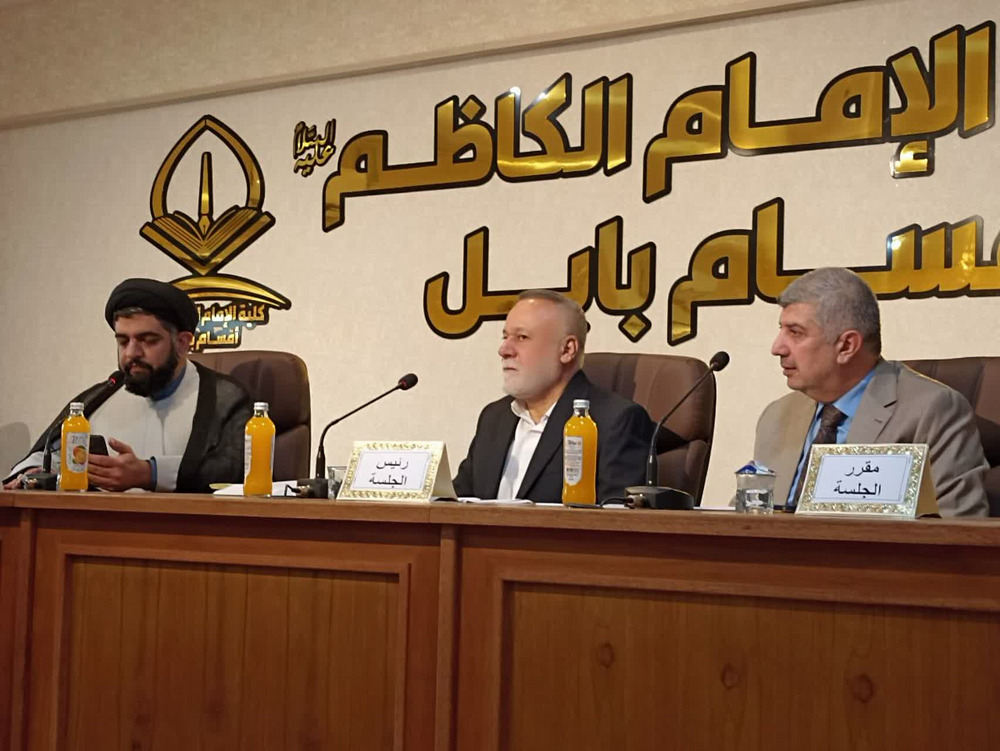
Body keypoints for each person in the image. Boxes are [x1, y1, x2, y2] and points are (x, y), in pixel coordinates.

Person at [755, 267, 988, 516]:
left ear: (847, 345)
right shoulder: (777, 416)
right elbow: (750, 514)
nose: (777, 348)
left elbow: (958, 525)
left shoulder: (931, 411)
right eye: (781, 330)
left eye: (795, 333)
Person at [5, 278, 252, 492]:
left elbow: (239, 468)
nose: (132, 353)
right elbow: (47, 454)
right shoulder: (103, 394)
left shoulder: (225, 398)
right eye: (123, 341)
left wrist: (150, 474)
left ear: (182, 343)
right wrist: (33, 473)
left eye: (148, 340)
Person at [452, 289, 654, 503]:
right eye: (505, 337)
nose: (504, 350)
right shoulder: (494, 417)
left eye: (522, 337)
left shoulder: (615, 421)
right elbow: (455, 503)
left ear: (567, 350)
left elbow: (617, 518)